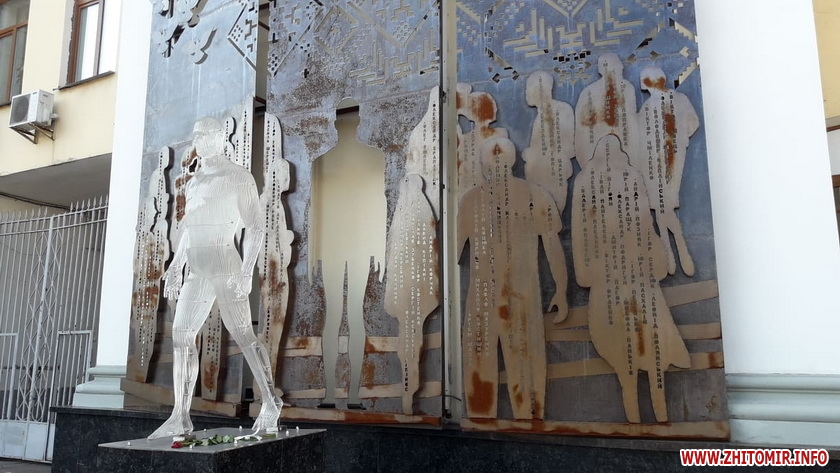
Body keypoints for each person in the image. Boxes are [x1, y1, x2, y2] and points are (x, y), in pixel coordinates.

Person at [149, 117, 282, 439]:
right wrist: (175, 265)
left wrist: (247, 270)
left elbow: (256, 227)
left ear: (221, 137)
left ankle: (270, 402)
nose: (199, 140)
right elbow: (189, 226)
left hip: (225, 263)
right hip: (197, 268)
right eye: (196, 136)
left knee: (243, 334)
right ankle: (180, 416)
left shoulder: (238, 177)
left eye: (204, 135)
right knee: (181, 335)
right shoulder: (194, 180)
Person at [572, 134, 690, 423]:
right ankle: (650, 416)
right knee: (638, 350)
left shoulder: (592, 179)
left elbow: (641, 224)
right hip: (624, 276)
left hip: (625, 276)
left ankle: (648, 415)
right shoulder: (614, 178)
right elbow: (585, 230)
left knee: (639, 350)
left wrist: (586, 271)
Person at [458, 137, 566, 420]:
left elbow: (451, 255)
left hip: (487, 295)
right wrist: (561, 289)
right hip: (520, 294)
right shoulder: (535, 194)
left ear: (484, 164)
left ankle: (484, 423)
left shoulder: (471, 200)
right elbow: (552, 246)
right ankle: (526, 422)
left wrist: (562, 290)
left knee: (480, 367)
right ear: (513, 160)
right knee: (524, 367)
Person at [635, 66, 700, 276]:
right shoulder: (647, 107)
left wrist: (677, 141)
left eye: (643, 79)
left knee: (664, 203)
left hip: (671, 160)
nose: (642, 84)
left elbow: (692, 123)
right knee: (660, 204)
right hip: (652, 164)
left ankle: (676, 248)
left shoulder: (678, 99)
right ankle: (671, 252)